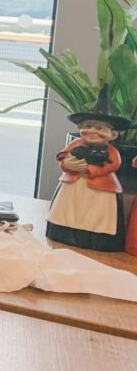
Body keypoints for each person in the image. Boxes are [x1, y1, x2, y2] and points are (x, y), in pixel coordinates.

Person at [46, 88, 128, 252]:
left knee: (97, 214)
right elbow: (63, 157)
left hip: (100, 188)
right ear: (80, 128)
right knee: (70, 210)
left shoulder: (111, 151)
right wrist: (68, 165)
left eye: (100, 128)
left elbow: (113, 164)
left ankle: (97, 238)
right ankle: (64, 231)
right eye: (88, 126)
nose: (92, 131)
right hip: (73, 186)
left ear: (112, 135)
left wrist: (90, 169)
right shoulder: (76, 145)